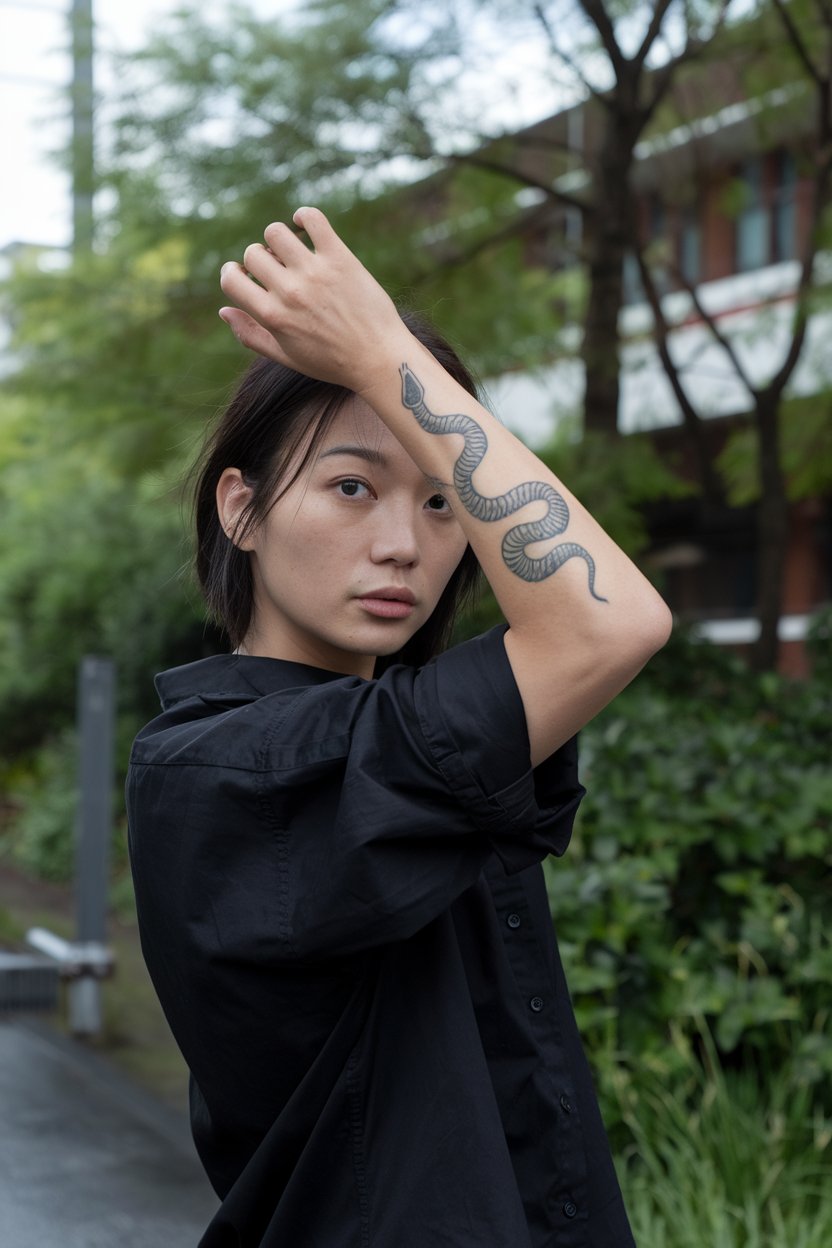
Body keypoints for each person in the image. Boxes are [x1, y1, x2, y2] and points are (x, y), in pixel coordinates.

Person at [126, 207, 672, 1248]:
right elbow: (613, 623)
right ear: (239, 508)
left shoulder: (400, 742)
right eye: (350, 486)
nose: (403, 546)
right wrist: (380, 352)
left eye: (438, 505)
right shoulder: (227, 768)